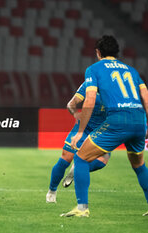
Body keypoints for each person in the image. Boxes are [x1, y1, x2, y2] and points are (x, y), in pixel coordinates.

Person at [61, 35, 148, 217]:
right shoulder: (132, 71)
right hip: (139, 120)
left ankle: (82, 208)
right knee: (139, 165)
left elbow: (90, 99)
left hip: (117, 120)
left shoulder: (94, 69)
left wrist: (81, 131)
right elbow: (145, 97)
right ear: (117, 53)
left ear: (98, 53)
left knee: (81, 158)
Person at [46, 82, 110, 203]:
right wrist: (75, 113)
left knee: (102, 161)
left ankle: (76, 169)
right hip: (83, 128)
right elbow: (71, 104)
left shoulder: (117, 88)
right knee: (65, 158)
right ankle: (52, 191)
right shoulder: (89, 84)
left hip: (102, 131)